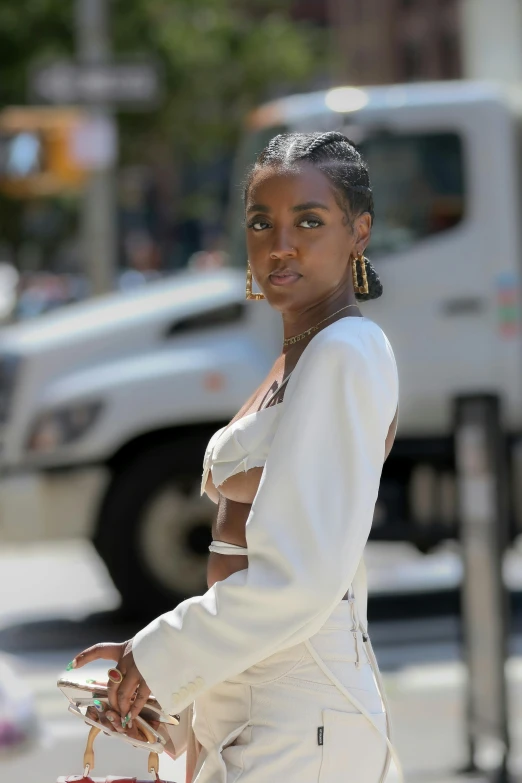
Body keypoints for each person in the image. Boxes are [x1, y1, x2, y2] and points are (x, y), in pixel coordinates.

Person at [70, 130, 403, 783]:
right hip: (267, 708)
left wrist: (158, 654)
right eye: (261, 221)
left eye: (310, 220)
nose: (281, 243)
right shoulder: (300, 354)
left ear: (359, 233)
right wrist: (163, 689)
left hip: (300, 718)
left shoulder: (344, 353)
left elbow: (302, 579)